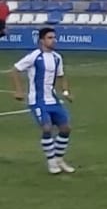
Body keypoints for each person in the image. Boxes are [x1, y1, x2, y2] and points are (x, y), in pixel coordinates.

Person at [11, 26, 74, 174]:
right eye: (50, 38)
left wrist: (65, 92)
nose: (53, 40)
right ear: (42, 40)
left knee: (66, 128)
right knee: (46, 128)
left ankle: (59, 159)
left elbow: (61, 76)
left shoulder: (57, 58)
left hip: (52, 99)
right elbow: (15, 70)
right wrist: (19, 91)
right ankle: (52, 162)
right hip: (37, 100)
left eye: (54, 37)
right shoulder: (34, 56)